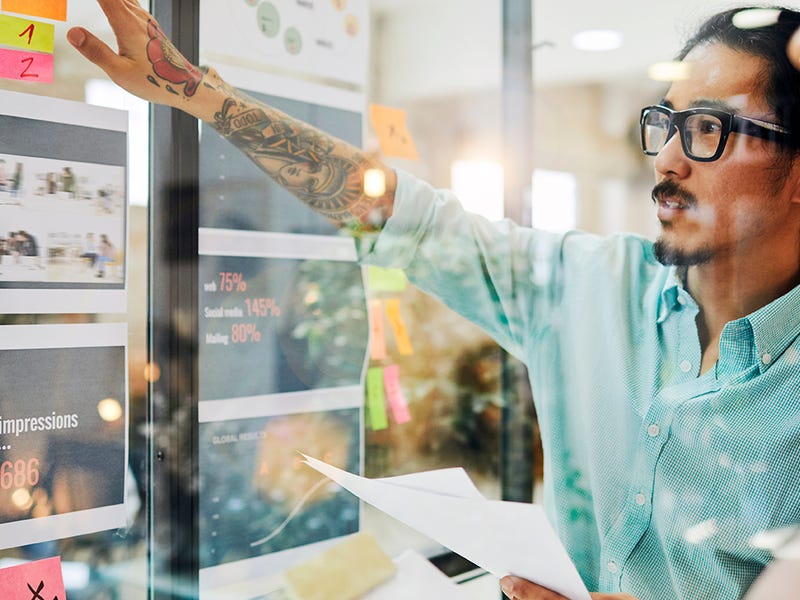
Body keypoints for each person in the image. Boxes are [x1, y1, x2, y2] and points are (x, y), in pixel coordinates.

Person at [68, 3, 800, 599]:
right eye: (666, 123)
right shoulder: (589, 285)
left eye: (709, 130)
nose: (668, 158)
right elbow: (400, 215)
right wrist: (205, 98)